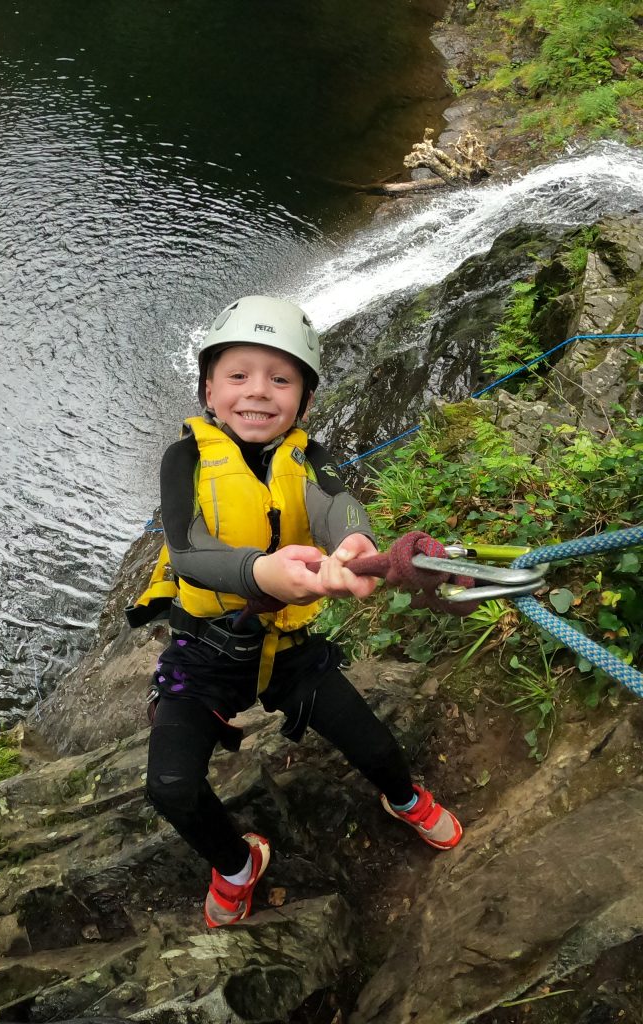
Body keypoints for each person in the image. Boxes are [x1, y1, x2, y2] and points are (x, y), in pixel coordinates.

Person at [129, 295, 463, 929]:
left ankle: (405, 800)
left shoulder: (308, 454)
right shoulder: (186, 460)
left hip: (286, 651)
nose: (258, 392)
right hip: (205, 651)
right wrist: (263, 572)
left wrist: (356, 543)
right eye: (238, 376)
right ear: (208, 388)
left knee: (376, 745)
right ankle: (236, 865)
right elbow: (188, 548)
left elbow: (337, 503)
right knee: (169, 786)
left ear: (304, 402)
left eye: (280, 379)